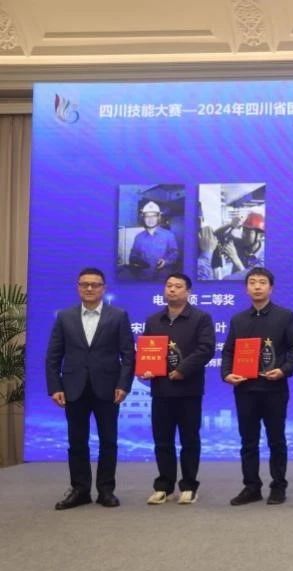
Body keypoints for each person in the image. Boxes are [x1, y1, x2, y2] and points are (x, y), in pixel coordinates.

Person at [45, 268, 135, 510]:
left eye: (95, 284)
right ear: (78, 287)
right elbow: (53, 355)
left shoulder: (118, 316)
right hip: (73, 387)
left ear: (104, 288)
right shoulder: (65, 317)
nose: (89, 288)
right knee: (76, 441)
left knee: (109, 441)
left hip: (108, 388)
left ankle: (106, 490)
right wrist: (55, 386)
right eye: (84, 284)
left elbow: (128, 354)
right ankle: (80, 490)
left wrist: (123, 384)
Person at [221, 267, 293, 506]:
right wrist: (227, 374)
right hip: (245, 389)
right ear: (246, 288)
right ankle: (251, 487)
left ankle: (278, 486)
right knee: (248, 441)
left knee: (276, 440)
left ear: (271, 288)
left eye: (262, 282)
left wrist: (284, 370)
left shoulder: (284, 316)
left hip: (274, 388)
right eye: (252, 282)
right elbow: (228, 351)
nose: (257, 286)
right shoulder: (238, 319)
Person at [141, 273, 216, 505]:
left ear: (188, 292)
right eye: (169, 285)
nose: (172, 289)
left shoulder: (200, 318)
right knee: (162, 440)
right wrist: (146, 368)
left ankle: (189, 486)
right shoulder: (154, 321)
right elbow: (147, 351)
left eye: (178, 286)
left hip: (189, 390)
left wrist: (183, 369)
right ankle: (163, 486)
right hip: (161, 390)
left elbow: (206, 349)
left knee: (189, 440)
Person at [128, 200, 179, 281]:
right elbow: (133, 255)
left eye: (154, 216)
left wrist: (165, 261)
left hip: (163, 280)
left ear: (158, 217)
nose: (150, 219)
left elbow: (175, 253)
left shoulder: (169, 235)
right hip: (143, 279)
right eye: (147, 216)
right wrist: (136, 260)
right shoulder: (138, 237)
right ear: (143, 218)